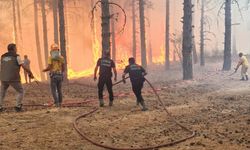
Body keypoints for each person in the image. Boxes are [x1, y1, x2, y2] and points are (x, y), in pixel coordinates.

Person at [0, 43, 34, 112]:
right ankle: (18, 106)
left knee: (2, 92)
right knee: (20, 91)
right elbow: (23, 66)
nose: (16, 49)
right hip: (13, 77)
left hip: (3, 77)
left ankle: (0, 107)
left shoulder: (2, 57)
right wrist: (30, 73)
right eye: (16, 48)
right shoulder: (16, 56)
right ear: (13, 49)